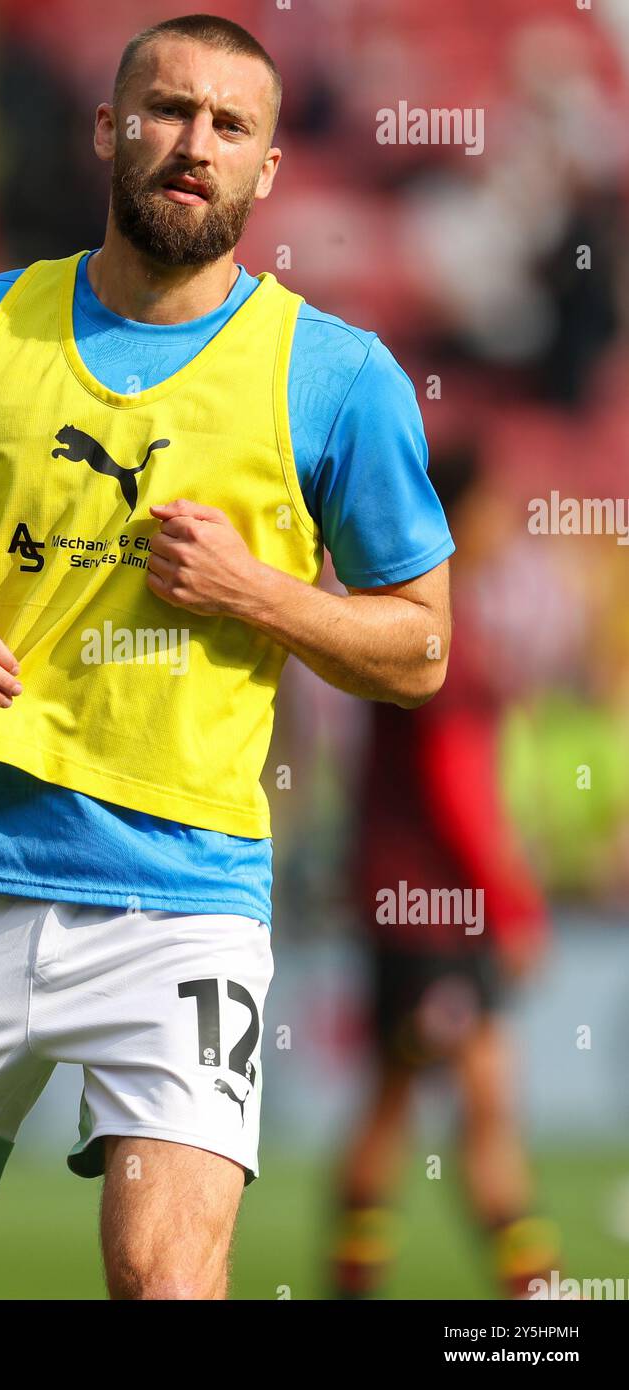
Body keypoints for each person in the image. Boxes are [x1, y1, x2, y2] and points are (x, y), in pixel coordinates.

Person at [0, 13, 453, 1302]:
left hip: (184, 905)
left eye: (229, 125)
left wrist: (262, 593)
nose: (195, 145)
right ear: (107, 129)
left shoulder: (336, 374)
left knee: (163, 1283)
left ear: (267, 169)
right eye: (168, 110)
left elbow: (418, 647)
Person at [330, 448, 558, 1300]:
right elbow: (453, 791)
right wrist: (517, 909)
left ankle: (524, 1291)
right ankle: (536, 1298)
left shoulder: (433, 624)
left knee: (421, 1103)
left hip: (418, 907)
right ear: (456, 522)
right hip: (429, 913)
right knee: (455, 1103)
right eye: (496, 510)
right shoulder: (440, 639)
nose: (509, 528)